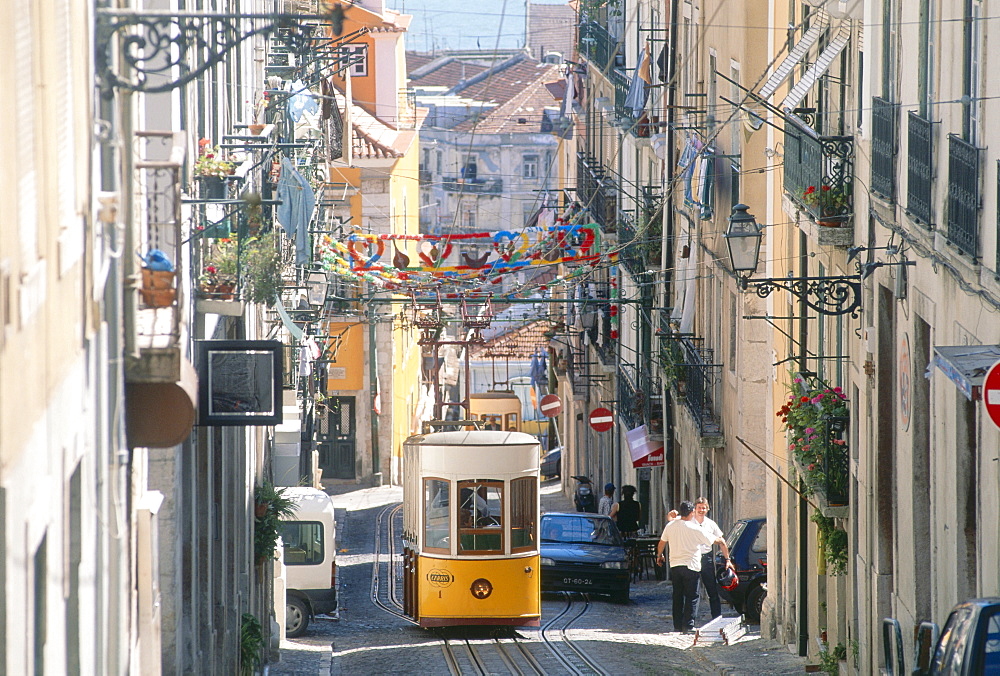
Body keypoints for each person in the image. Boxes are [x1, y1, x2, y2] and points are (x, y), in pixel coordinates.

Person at [656, 501, 733, 633]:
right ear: (692, 513)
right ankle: (688, 625)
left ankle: (677, 626)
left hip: (675, 565)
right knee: (692, 596)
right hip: (691, 565)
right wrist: (723, 547)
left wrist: (659, 555)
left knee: (677, 596)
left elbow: (662, 542)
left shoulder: (670, 526)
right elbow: (716, 540)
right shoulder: (695, 528)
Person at [692, 497, 725, 619]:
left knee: (712, 589)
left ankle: (717, 618)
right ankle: (689, 621)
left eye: (704, 508)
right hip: (692, 558)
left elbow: (721, 540)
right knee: (692, 592)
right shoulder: (689, 522)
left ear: (708, 509)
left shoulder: (711, 524)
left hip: (706, 558)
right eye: (699, 507)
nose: (701, 510)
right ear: (695, 508)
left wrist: (727, 559)